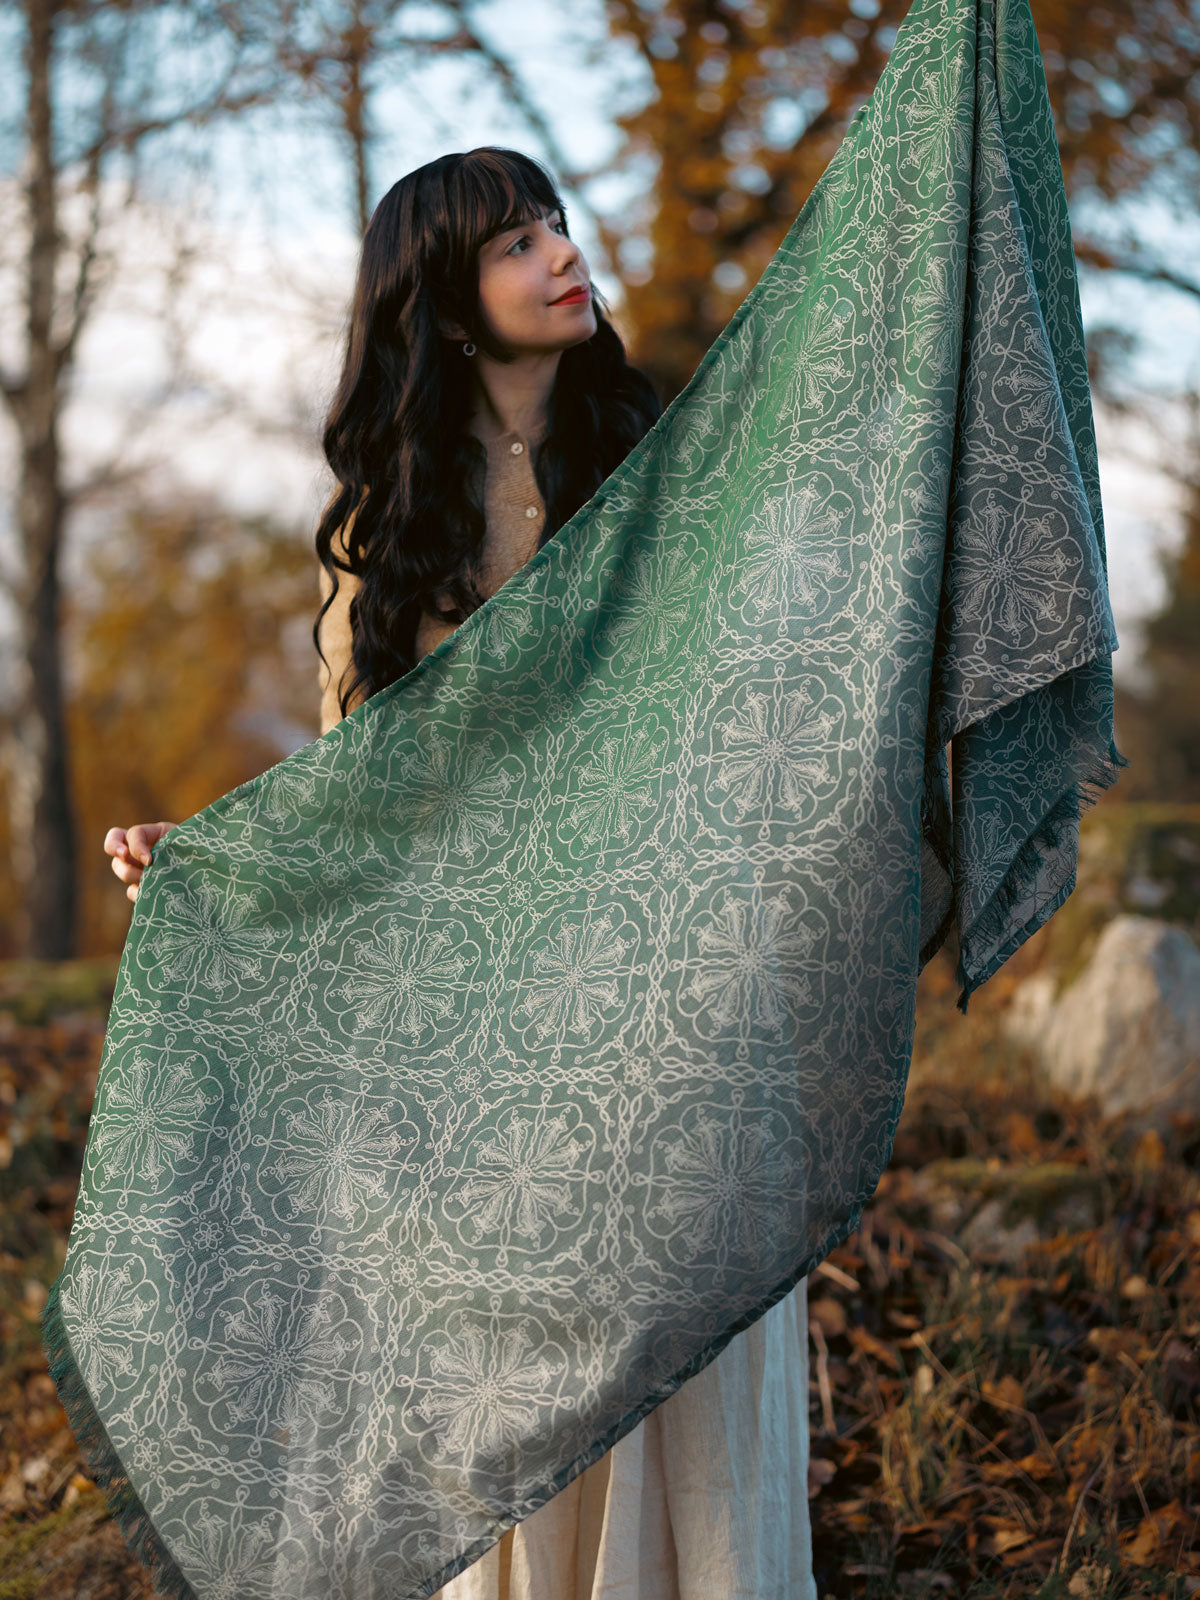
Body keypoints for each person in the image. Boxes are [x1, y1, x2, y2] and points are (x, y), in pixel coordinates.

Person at [102, 145, 817, 1600]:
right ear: (442, 300)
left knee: (687, 1361)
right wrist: (218, 855)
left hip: (672, 999)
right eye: (512, 241)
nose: (561, 252)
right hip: (496, 1036)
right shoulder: (386, 534)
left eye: (553, 221)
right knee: (520, 1377)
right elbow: (365, 804)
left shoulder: (668, 466)